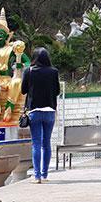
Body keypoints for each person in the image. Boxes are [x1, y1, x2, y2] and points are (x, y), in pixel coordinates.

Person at [21, 47, 60, 183]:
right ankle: (45, 174)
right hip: (49, 111)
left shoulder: (29, 71)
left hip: (34, 111)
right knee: (46, 143)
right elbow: (57, 91)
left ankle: (37, 176)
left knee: (36, 143)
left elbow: (23, 90)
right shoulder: (54, 72)